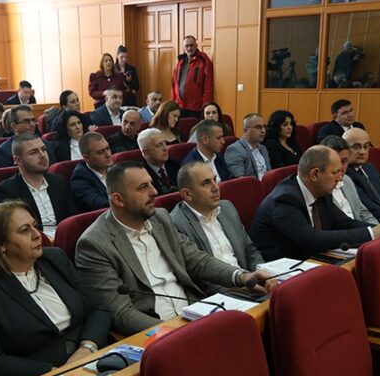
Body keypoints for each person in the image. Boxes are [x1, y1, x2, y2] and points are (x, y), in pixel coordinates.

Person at [75, 161, 277, 335]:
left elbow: (196, 259)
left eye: (151, 184)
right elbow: (121, 313)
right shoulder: (94, 244)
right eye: (143, 187)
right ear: (118, 199)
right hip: (156, 329)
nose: (154, 192)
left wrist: (242, 276)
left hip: (195, 311)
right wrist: (175, 333)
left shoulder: (160, 218)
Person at [0, 201, 111, 376]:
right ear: (1, 244)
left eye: (35, 226)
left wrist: (87, 348)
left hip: (91, 355)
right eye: (24, 230)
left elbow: (98, 308)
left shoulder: (54, 258)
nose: (37, 235)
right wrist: (56, 374)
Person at [250, 146, 380, 261]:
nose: (340, 178)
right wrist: (372, 233)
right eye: (335, 172)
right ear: (315, 174)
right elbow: (312, 240)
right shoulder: (284, 200)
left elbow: (346, 223)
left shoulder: (321, 191)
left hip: (311, 260)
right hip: (279, 272)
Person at [170, 160, 264, 276]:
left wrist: (261, 274)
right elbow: (198, 273)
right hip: (221, 286)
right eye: (206, 183)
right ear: (187, 194)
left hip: (249, 278)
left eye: (214, 180)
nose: (216, 187)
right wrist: (242, 282)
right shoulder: (176, 224)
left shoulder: (227, 208)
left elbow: (249, 250)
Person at [0, 134, 75, 238]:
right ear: (18, 160)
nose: (42, 155)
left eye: (43, 149)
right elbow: (1, 230)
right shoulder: (7, 190)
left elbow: (73, 219)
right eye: (34, 152)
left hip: (64, 238)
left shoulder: (60, 182)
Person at [319, 135, 379, 225]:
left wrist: (378, 228)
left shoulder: (347, 180)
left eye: (344, 161)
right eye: (335, 162)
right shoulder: (319, 189)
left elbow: (363, 213)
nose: (340, 167)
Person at [170, 35, 213, 118]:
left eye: (191, 45)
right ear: (183, 48)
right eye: (187, 46)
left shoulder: (203, 60)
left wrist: (206, 105)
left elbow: (208, 86)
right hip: (180, 107)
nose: (189, 48)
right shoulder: (180, 62)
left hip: (196, 108)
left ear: (196, 46)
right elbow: (173, 84)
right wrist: (172, 103)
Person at [70, 133, 112, 212]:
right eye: (100, 152)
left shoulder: (116, 169)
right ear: (86, 158)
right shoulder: (80, 179)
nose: (108, 154)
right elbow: (101, 205)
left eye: (108, 148)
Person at [224, 113, 270, 180]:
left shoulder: (263, 149)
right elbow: (240, 180)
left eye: (264, 127)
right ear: (246, 131)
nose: (263, 131)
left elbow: (269, 174)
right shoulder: (235, 150)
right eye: (258, 127)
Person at [138, 128, 179, 195]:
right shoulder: (140, 175)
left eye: (164, 143)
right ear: (146, 153)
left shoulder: (174, 164)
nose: (165, 148)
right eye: (158, 145)